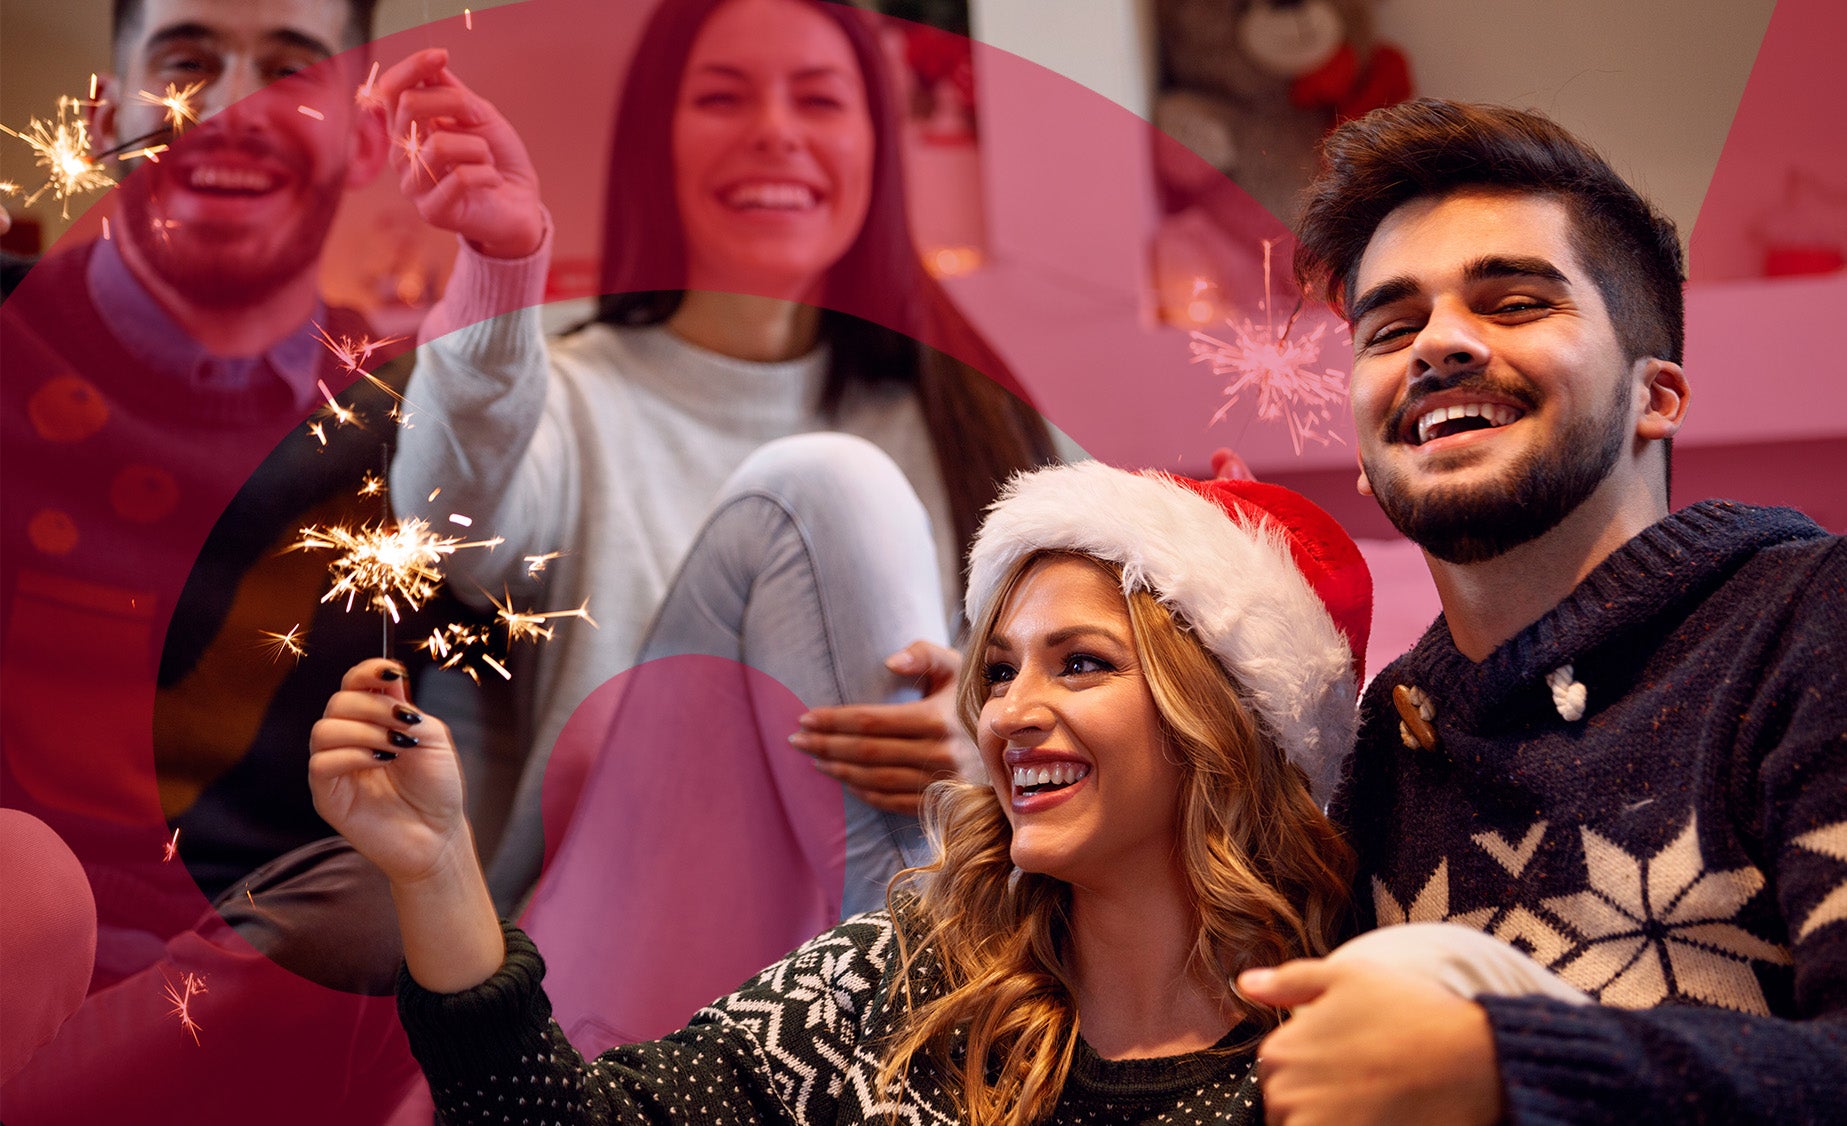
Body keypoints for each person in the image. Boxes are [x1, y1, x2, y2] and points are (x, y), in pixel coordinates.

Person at [310, 459, 1373, 1124]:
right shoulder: (906, 975)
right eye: (1000, 670)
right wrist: (435, 865)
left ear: (1221, 718)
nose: (1007, 713)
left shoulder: (1342, 1060)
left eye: (1080, 664)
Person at [376, 0, 1061, 916]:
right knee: (833, 486)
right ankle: (899, 982)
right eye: (722, 98)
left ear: (877, 149)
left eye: (818, 100)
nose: (773, 133)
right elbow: (446, 529)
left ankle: (891, 980)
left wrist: (981, 740)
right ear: (655, 145)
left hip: (871, 924)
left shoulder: (959, 420)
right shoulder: (570, 402)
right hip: (617, 937)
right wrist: (498, 264)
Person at [1236, 98, 1847, 1123]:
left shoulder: (1810, 621)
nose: (1438, 344)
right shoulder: (1382, 747)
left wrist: (1509, 1066)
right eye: (1389, 328)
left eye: (1513, 303)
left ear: (1656, 396)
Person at [0, 1, 454, 1119]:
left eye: (290, 70)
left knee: (376, 902)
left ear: (361, 140)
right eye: (188, 60)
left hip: (234, 1011)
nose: (234, 105)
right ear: (102, 116)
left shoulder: (415, 433)